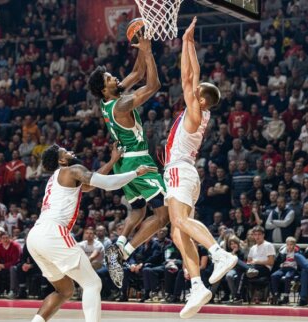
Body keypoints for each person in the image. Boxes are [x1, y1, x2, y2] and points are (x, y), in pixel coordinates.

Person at [26, 144, 156, 322]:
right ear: (62, 160)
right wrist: (136, 173)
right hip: (53, 232)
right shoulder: (72, 170)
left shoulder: (57, 179)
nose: (72, 151)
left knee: (65, 291)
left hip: (35, 237)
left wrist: (112, 160)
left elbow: (93, 183)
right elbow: (107, 184)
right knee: (92, 283)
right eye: (66, 151)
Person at [163, 18, 237, 318]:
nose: (190, 92)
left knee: (180, 223)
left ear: (203, 99)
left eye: (196, 92)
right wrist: (188, 43)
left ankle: (219, 253)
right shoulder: (195, 110)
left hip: (181, 169)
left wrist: (188, 45)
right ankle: (197, 285)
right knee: (178, 233)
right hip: (184, 173)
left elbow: (190, 77)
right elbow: (189, 77)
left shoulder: (196, 113)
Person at [88, 32, 169, 288]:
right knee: (163, 215)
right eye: (111, 78)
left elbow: (136, 71)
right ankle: (122, 253)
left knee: (138, 209)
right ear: (104, 88)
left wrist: (142, 48)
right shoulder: (121, 104)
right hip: (137, 161)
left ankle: (120, 242)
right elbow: (154, 85)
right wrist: (149, 52)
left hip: (124, 162)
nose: (116, 78)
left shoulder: (107, 102)